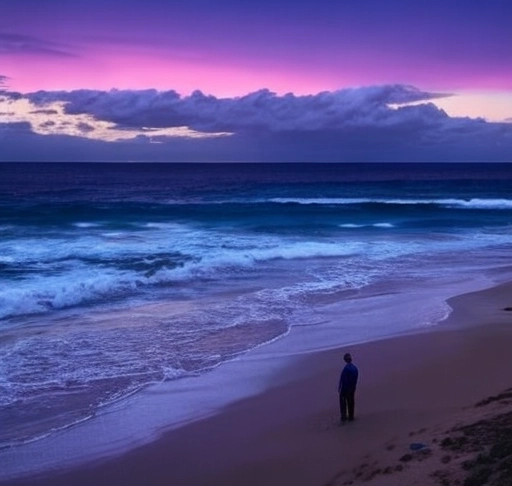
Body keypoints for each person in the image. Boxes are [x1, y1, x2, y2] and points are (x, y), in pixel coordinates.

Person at [338, 352, 358, 423]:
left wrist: (340, 388)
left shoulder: (346, 369)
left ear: (345, 360)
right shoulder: (355, 368)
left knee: (343, 402)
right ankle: (351, 416)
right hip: (352, 388)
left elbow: (343, 380)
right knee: (351, 402)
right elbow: (355, 379)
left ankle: (344, 417)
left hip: (346, 389)